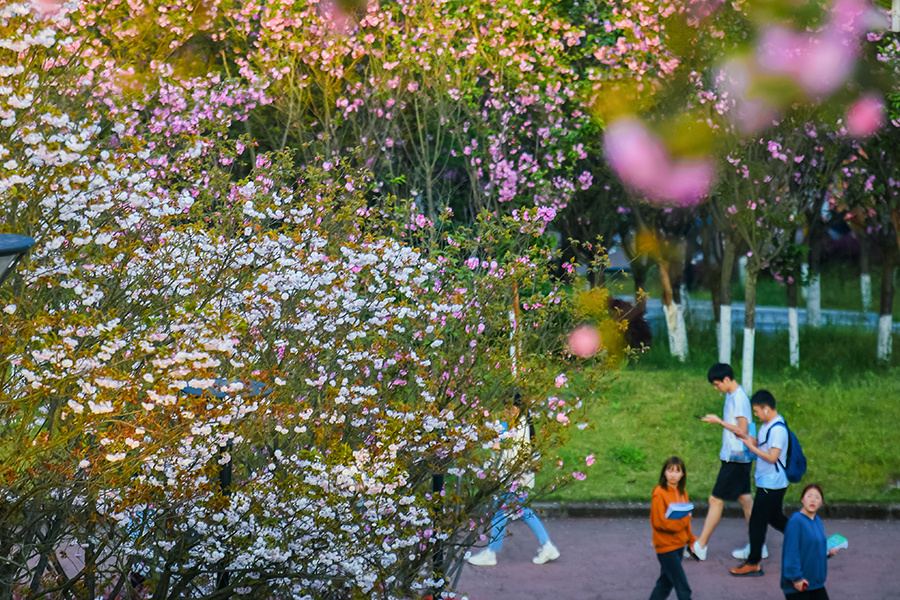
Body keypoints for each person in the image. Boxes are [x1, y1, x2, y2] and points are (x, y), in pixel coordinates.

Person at [467, 398, 560, 566]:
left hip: (513, 479)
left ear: (517, 409)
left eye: (510, 408)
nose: (506, 412)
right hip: (520, 478)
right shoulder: (524, 425)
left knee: (501, 512)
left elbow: (501, 449)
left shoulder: (512, 427)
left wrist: (495, 443)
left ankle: (492, 553)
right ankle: (547, 546)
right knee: (522, 512)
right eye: (506, 408)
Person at [693, 363, 753, 561]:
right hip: (736, 456)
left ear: (727, 379)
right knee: (745, 499)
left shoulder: (740, 398)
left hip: (736, 457)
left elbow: (742, 430)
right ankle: (758, 544)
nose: (716, 388)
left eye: (718, 384)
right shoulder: (731, 395)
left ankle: (701, 545)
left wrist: (719, 422)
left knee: (715, 499)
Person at [727, 389, 789, 576]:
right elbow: (760, 444)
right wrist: (746, 438)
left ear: (767, 408)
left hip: (772, 484)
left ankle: (754, 562)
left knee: (757, 521)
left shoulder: (778, 430)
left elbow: (772, 457)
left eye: (756, 411)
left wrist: (750, 446)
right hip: (769, 482)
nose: (755, 414)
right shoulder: (768, 426)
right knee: (776, 518)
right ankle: (810, 541)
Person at [649, 456, 696, 600]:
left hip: (679, 545)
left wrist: (691, 540)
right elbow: (659, 522)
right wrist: (683, 521)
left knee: (665, 584)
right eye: (670, 471)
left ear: (682, 474)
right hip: (665, 547)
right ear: (664, 473)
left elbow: (686, 522)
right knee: (683, 587)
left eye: (677, 471)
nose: (673, 474)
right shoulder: (659, 493)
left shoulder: (683, 493)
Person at [782, 484, 841, 599]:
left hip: (816, 583)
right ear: (802, 499)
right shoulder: (796, 521)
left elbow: (814, 547)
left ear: (821, 503)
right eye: (809, 496)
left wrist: (828, 553)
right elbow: (791, 552)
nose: (813, 500)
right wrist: (796, 578)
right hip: (800, 585)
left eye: (817, 497)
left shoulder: (817, 521)